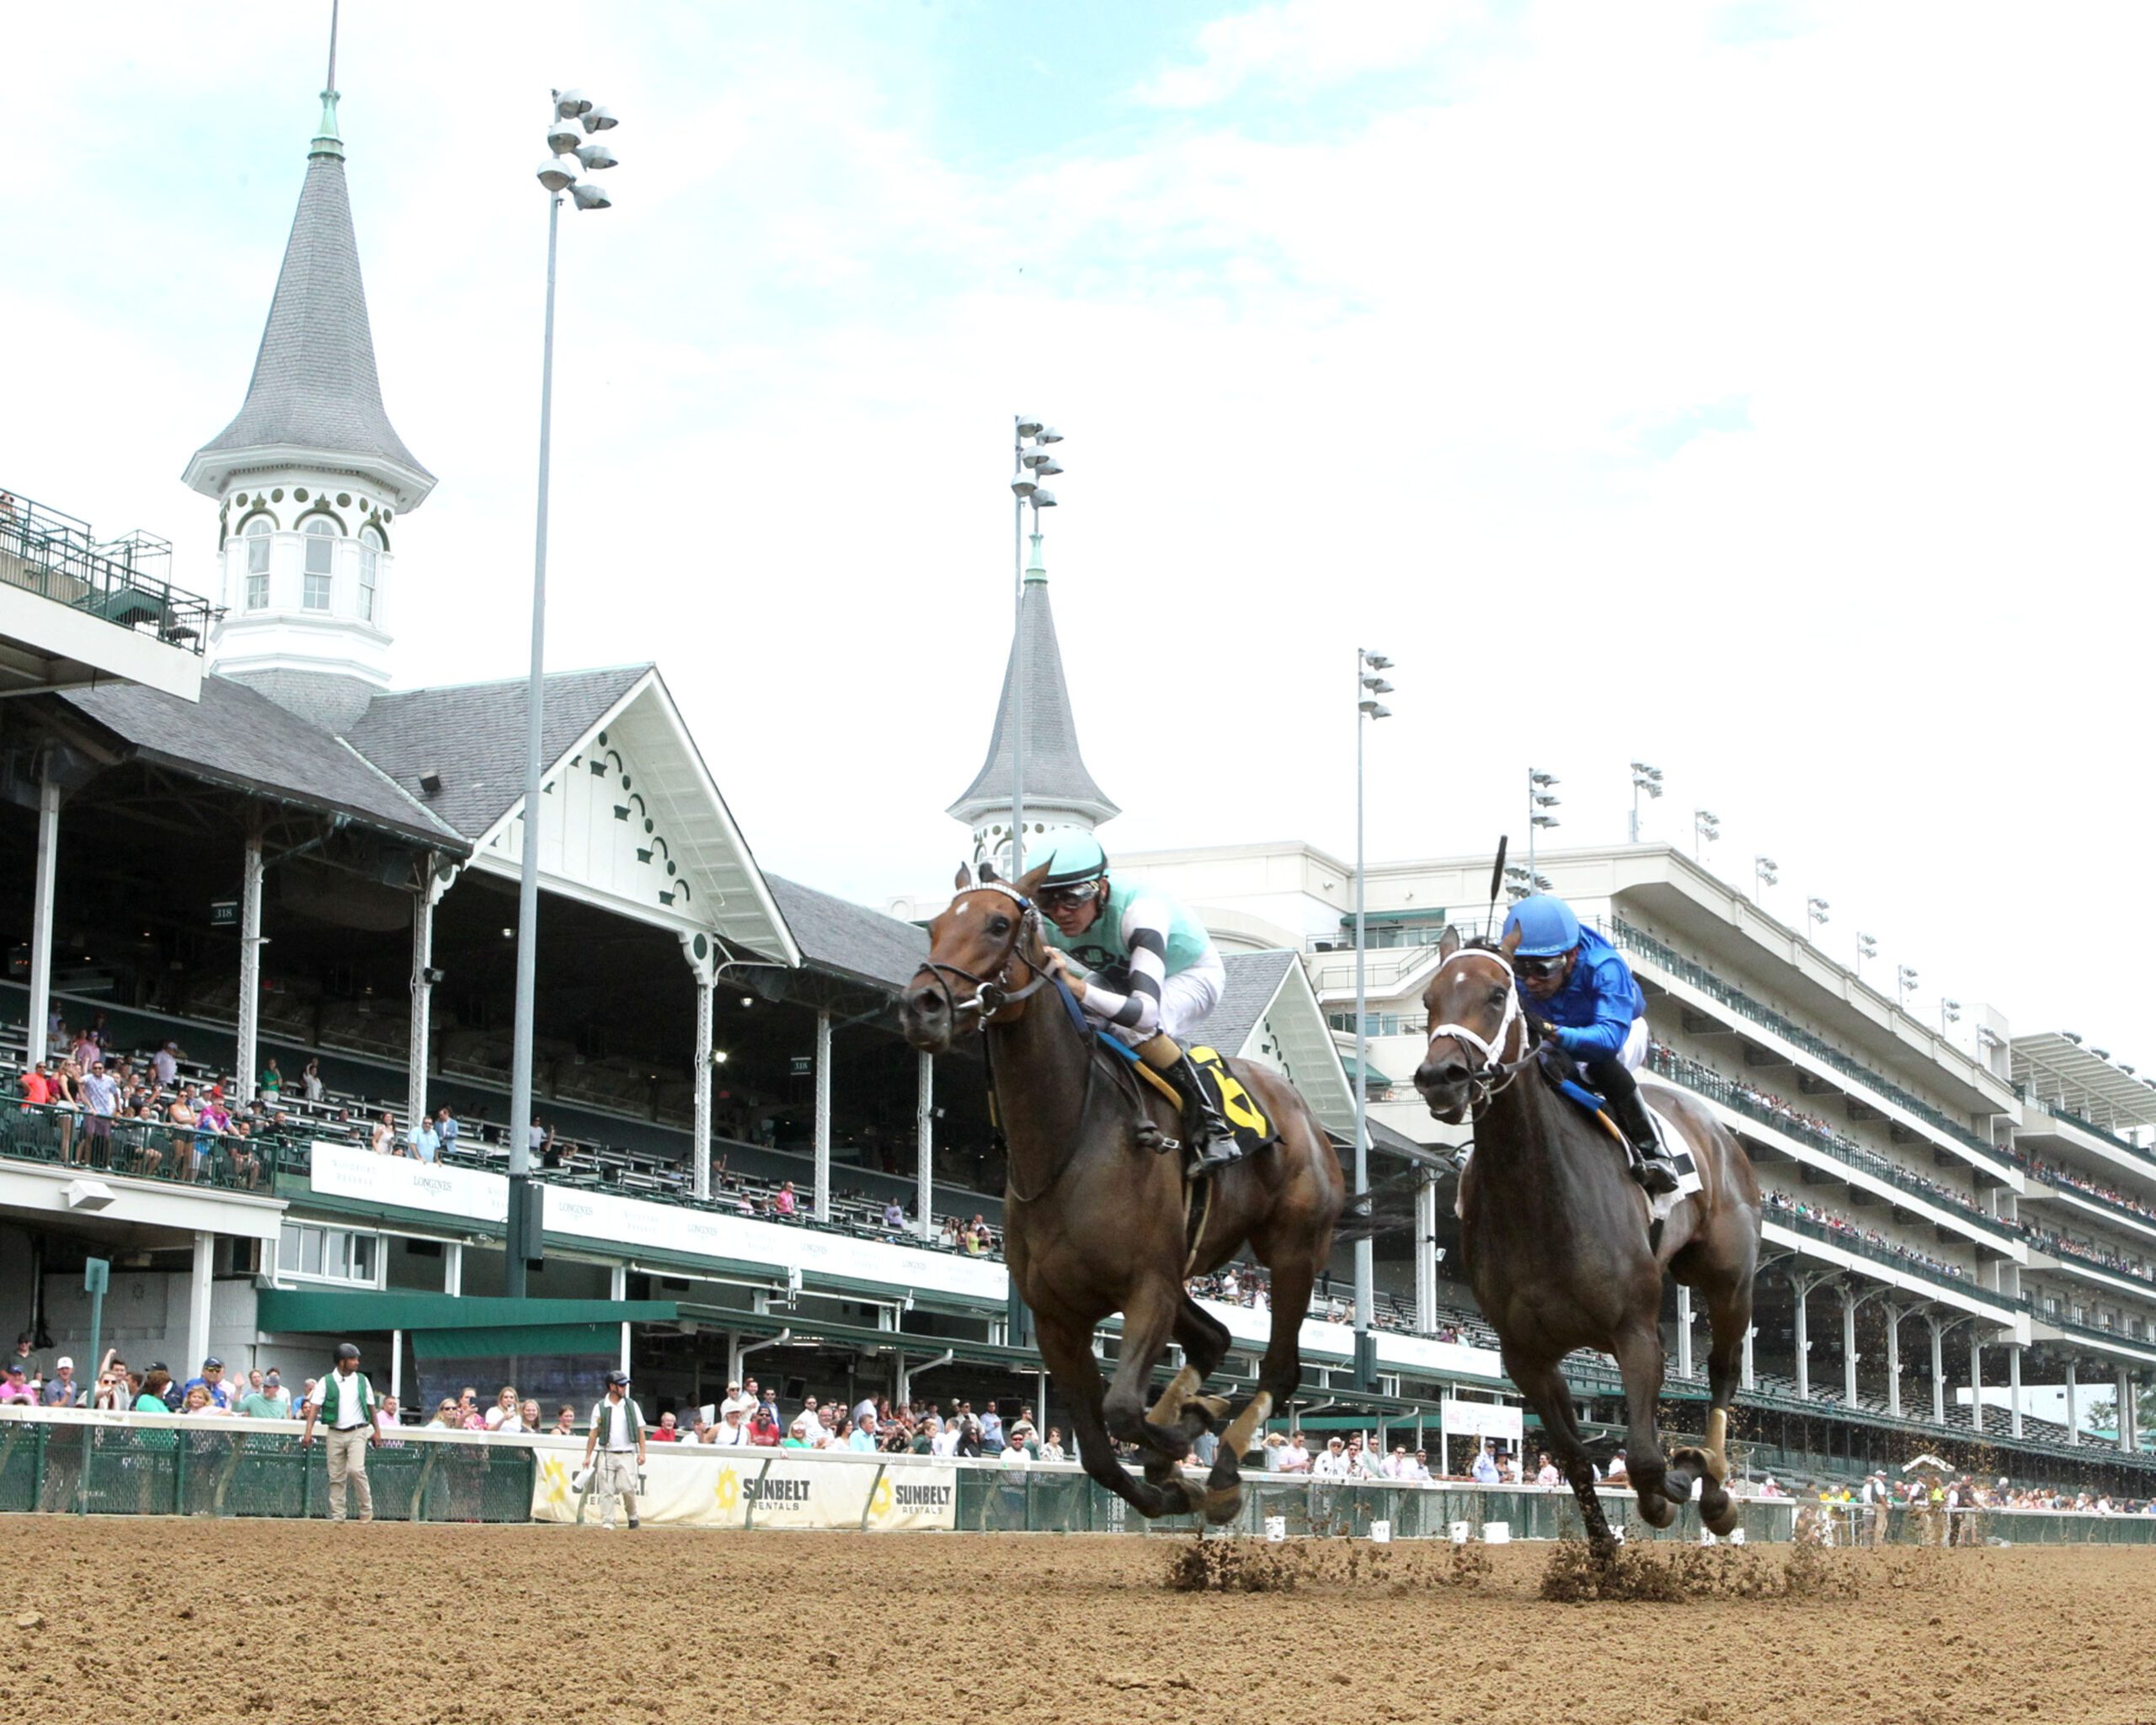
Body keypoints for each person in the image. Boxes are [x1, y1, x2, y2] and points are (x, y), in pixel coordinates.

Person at [1028, 831, 1240, 1174]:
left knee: (1131, 1031)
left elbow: (1144, 1015)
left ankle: (1213, 1126)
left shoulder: (1141, 912)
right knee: (1069, 1022)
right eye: (1046, 902)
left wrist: (1077, 988)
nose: (1060, 913)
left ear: (1102, 888)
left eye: (1072, 899)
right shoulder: (1043, 922)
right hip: (1120, 975)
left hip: (1190, 974)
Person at [1502, 894, 1679, 1194]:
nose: (1530, 981)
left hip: (1619, 1030)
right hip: (1551, 1033)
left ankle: (1655, 1152)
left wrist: (1556, 1033)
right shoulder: (1519, 966)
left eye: (1542, 970)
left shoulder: (1605, 966)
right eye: (1521, 969)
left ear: (1571, 956)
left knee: (1597, 1066)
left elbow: (1608, 1040)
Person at [299, 1343, 378, 1523]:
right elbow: (314, 1408)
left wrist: (377, 1431)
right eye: (353, 1359)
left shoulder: (362, 1380)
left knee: (356, 1470)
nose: (357, 1362)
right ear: (342, 1362)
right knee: (336, 1475)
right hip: (334, 1432)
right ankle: (338, 1515)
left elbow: (371, 1407)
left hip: (358, 1430)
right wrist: (308, 1432)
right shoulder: (326, 1381)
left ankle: (366, 1510)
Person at [580, 1370, 647, 1531]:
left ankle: (632, 1515)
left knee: (628, 1488)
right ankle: (608, 1520)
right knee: (606, 1489)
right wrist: (588, 1455)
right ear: (612, 1387)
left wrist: (642, 1452)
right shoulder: (600, 1407)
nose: (624, 1388)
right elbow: (593, 1432)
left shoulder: (631, 1405)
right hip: (606, 1452)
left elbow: (640, 1430)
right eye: (621, 1385)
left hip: (627, 1452)